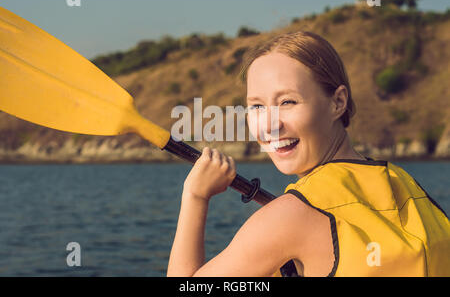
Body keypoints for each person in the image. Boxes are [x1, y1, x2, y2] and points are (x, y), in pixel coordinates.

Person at [167, 31, 450, 277]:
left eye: (287, 101)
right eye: (256, 106)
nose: (269, 124)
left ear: (338, 102)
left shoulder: (290, 216)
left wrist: (196, 196)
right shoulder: (409, 188)